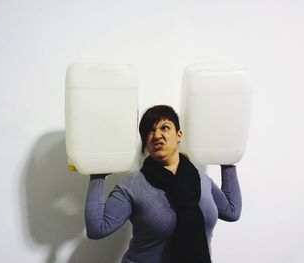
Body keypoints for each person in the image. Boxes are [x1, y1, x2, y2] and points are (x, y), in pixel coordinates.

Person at [85, 105, 242, 263]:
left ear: (179, 135)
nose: (157, 135)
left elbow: (232, 211)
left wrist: (228, 157)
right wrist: (98, 169)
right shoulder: (132, 184)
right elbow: (97, 228)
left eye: (165, 127)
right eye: (149, 131)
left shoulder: (200, 178)